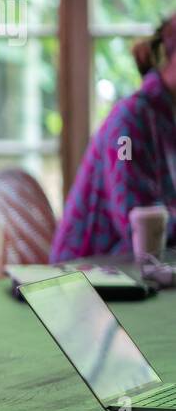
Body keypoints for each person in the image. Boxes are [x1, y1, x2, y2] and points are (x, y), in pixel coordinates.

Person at [51, 14, 176, 261]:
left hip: (137, 276)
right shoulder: (130, 121)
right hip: (86, 279)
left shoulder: (168, 119)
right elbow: (137, 227)